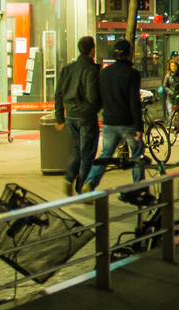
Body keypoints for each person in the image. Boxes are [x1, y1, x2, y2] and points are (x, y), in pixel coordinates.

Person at [83, 39, 149, 201]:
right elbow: (134, 101)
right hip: (127, 123)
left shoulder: (105, 72)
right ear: (130, 53)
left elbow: (100, 95)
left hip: (109, 121)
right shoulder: (132, 74)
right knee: (137, 155)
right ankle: (138, 187)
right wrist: (139, 127)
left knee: (106, 154)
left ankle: (90, 183)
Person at [54, 35, 103, 196]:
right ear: (92, 50)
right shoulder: (91, 69)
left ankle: (69, 177)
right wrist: (97, 108)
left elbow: (59, 93)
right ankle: (82, 188)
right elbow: (92, 95)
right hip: (86, 115)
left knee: (77, 149)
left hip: (71, 116)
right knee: (87, 153)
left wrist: (60, 116)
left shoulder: (68, 69)